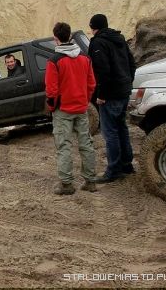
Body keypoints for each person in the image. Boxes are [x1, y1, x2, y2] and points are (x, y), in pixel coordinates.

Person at [45, 22, 97, 195]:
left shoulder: (54, 61)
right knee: (86, 144)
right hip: (81, 108)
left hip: (63, 110)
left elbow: (51, 90)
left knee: (64, 146)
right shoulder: (85, 58)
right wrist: (84, 100)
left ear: (56, 38)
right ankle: (90, 181)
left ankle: (67, 184)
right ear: (70, 36)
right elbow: (91, 84)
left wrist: (52, 107)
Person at [88, 13, 137, 183]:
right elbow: (132, 63)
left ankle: (114, 170)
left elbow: (102, 71)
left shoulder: (98, 43)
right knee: (121, 128)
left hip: (110, 95)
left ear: (93, 27)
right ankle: (127, 165)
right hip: (123, 91)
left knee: (110, 132)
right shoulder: (119, 39)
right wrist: (128, 83)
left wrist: (101, 95)